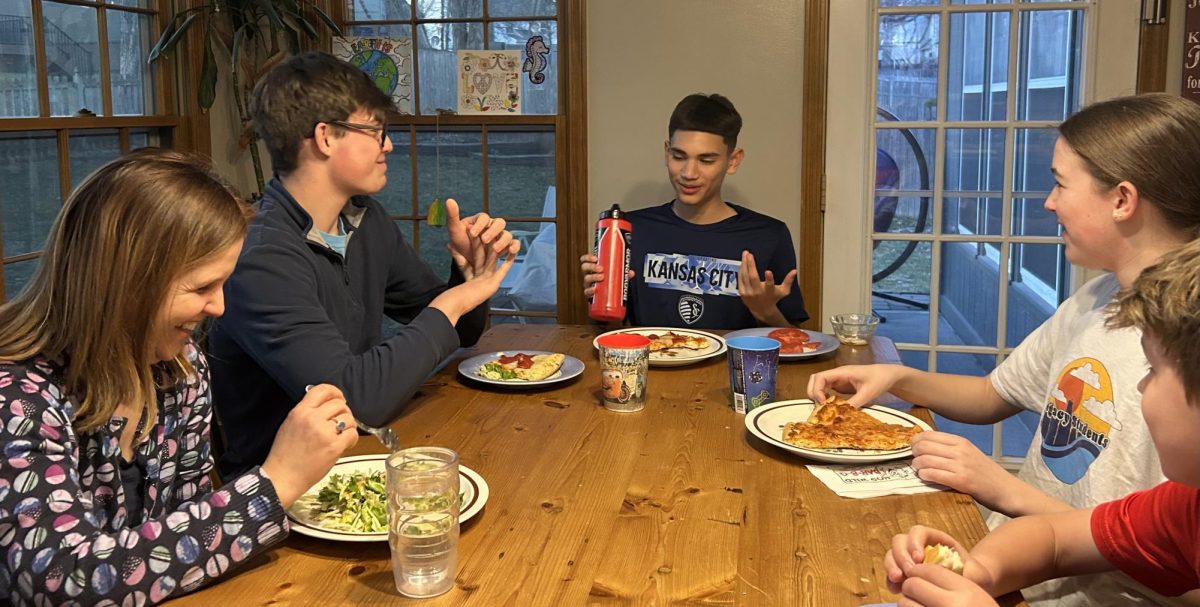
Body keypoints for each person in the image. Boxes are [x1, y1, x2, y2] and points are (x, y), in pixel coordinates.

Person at [808, 93, 1200, 606]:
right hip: (1021, 569)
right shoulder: (1095, 300)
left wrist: (999, 486)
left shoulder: (1180, 343)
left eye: (1060, 183)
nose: (1048, 202)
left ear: (1122, 199)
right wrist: (896, 377)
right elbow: (998, 396)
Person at [0, 148, 358, 605]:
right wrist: (277, 481)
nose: (220, 307)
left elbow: (185, 525)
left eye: (224, 284)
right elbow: (62, 582)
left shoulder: (181, 371)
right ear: (127, 282)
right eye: (202, 287)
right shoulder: (18, 396)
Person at [207, 52, 518, 478]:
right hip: (281, 497)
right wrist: (452, 303)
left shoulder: (365, 221)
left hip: (363, 459)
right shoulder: (260, 256)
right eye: (375, 130)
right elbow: (353, 400)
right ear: (326, 138)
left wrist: (467, 272)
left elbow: (463, 331)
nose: (387, 144)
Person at [881, 237, 1200, 607]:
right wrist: (976, 570)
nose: (1143, 385)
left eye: (1154, 370)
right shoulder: (1183, 507)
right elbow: (1054, 539)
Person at [579, 93, 809, 329]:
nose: (689, 173)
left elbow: (794, 344)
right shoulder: (629, 231)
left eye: (706, 160)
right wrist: (601, 301)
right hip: (652, 364)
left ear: (733, 161)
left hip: (731, 366)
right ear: (667, 153)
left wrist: (766, 312)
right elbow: (612, 335)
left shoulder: (768, 235)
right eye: (679, 156)